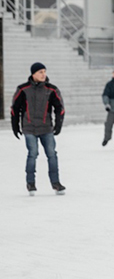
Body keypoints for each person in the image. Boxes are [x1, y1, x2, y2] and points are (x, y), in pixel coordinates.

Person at [10, 62, 66, 195]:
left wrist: (58, 124)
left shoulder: (51, 89)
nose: (43, 74)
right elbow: (15, 109)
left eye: (44, 71)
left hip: (46, 128)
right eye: (40, 72)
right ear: (33, 74)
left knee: (52, 154)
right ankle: (31, 183)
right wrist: (15, 126)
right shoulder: (23, 89)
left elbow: (60, 108)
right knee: (33, 154)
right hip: (29, 128)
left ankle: (56, 183)